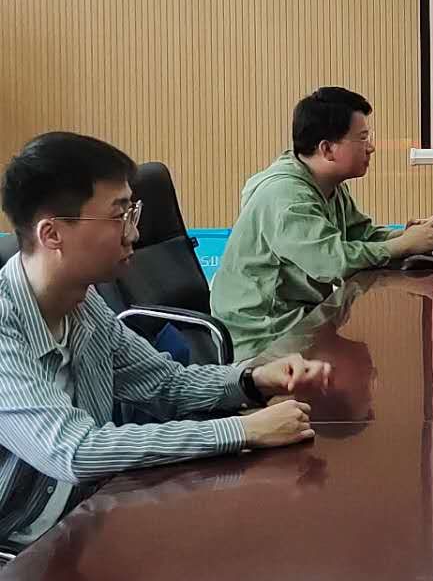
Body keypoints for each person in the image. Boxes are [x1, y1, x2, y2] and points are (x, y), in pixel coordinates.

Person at [0, 132, 329, 547]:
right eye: (118, 216)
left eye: (132, 212)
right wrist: (242, 431)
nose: (133, 234)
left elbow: (164, 384)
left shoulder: (85, 304)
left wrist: (252, 380)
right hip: (20, 543)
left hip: (84, 520)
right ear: (52, 235)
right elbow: (76, 451)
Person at [210, 87, 433, 359]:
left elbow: (361, 235)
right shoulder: (285, 196)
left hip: (301, 320)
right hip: (265, 338)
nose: (371, 147)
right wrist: (403, 245)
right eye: (362, 138)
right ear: (327, 149)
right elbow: (333, 262)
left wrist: (408, 237)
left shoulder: (326, 183)